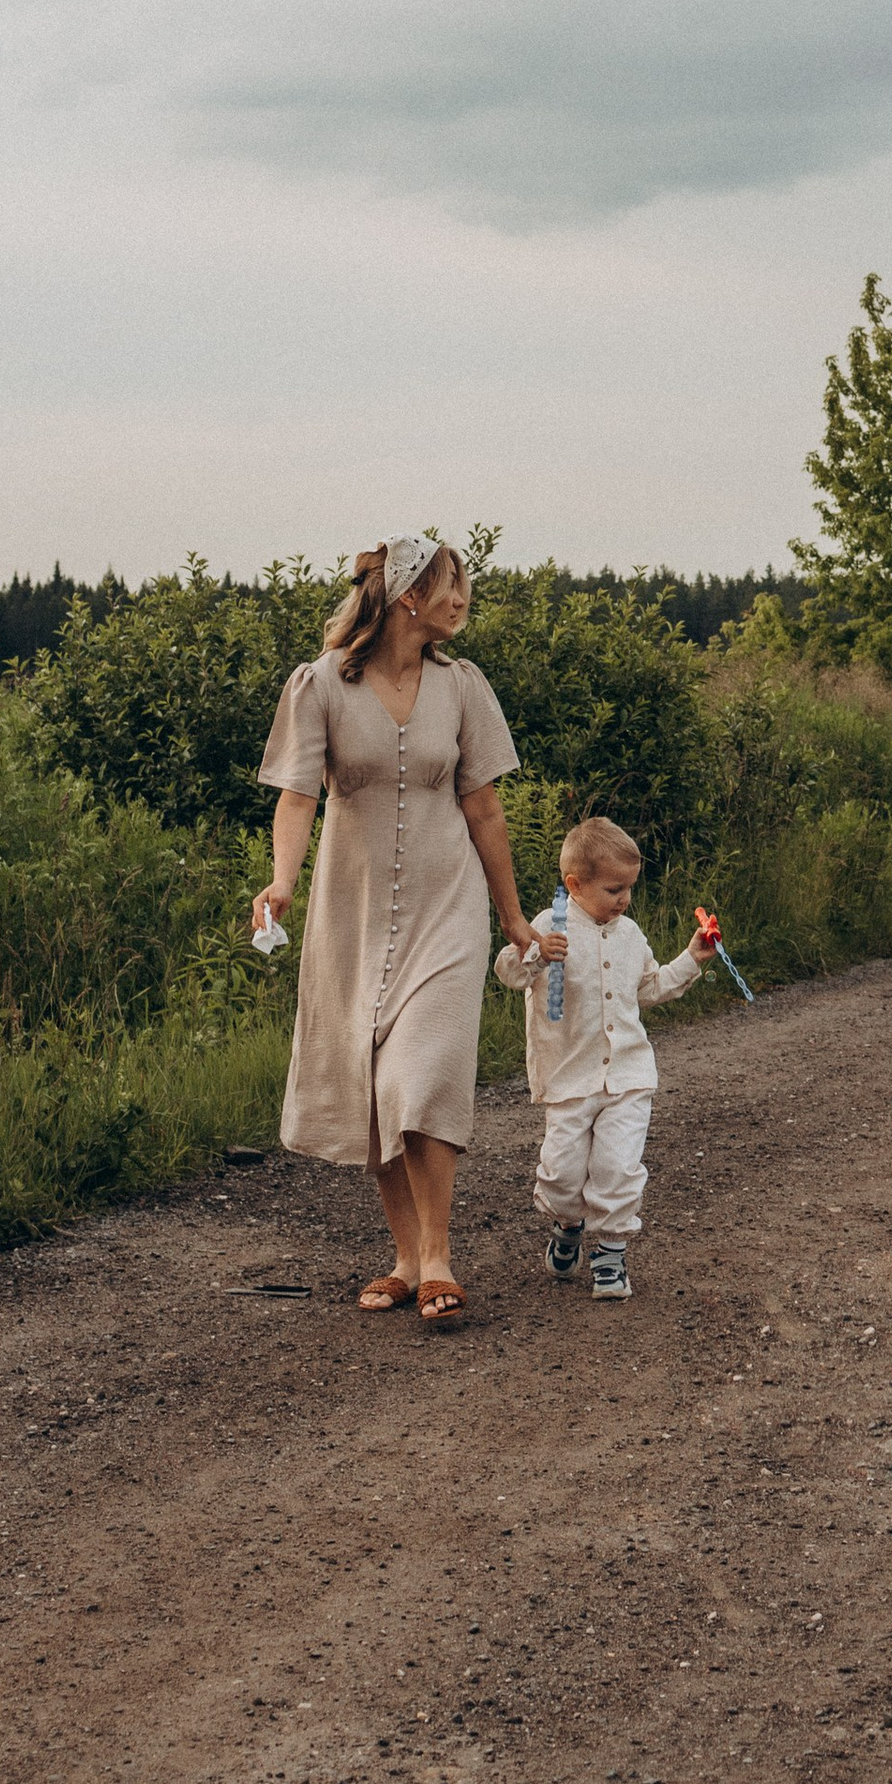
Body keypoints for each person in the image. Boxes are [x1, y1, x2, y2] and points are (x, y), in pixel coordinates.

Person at [253, 537, 535, 1325]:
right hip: (353, 913)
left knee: (425, 1068)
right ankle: (407, 1259)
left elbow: (484, 806)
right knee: (374, 1088)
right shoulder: (320, 687)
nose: (462, 599)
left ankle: (440, 1254)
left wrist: (511, 917)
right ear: (407, 595)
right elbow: (297, 798)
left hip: (449, 905)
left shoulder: (464, 686)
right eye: (451, 586)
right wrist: (283, 880)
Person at [494, 816, 716, 1301]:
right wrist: (535, 954)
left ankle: (611, 1256)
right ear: (576, 884)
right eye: (615, 889)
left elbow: (651, 987)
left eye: (630, 889)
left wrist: (691, 958)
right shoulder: (548, 925)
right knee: (562, 1174)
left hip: (629, 1075)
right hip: (568, 1075)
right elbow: (508, 972)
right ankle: (567, 1224)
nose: (624, 899)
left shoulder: (630, 933)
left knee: (618, 1166)